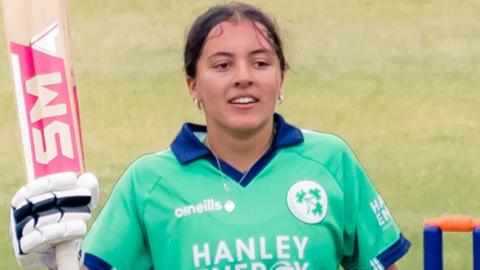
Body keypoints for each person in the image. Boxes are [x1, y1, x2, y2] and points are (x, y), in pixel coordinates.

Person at [10, 2, 410, 270]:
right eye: (222, 65)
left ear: (281, 77)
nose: (243, 77)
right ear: (193, 85)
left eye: (260, 62)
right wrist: (50, 261)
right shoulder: (150, 182)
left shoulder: (329, 161)